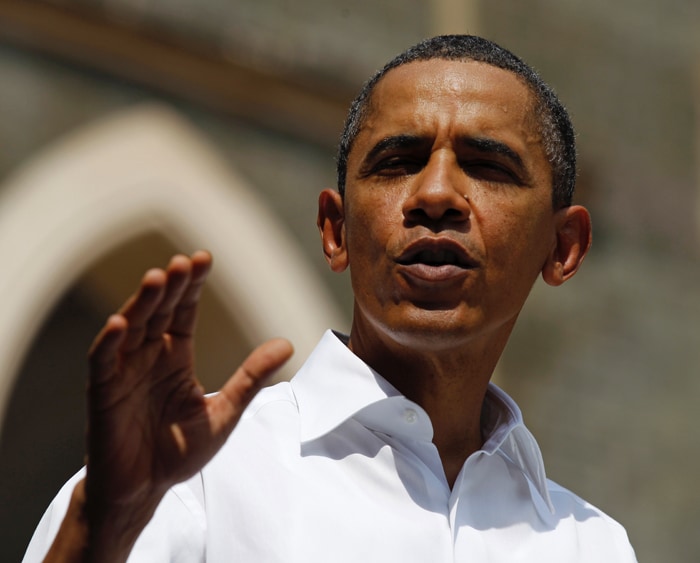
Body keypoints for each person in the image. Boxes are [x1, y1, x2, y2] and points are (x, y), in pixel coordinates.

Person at [24, 35, 637, 562]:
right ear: (336, 230)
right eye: (397, 162)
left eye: (486, 166)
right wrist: (99, 525)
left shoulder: (589, 544)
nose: (437, 193)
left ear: (564, 247)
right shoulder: (198, 481)